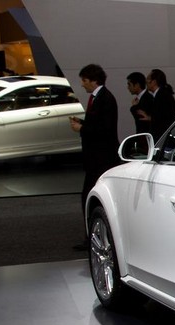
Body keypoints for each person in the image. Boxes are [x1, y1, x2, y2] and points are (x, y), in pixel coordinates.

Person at [70, 64, 120, 250]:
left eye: (84, 80)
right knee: (89, 197)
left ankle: (94, 236)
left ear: (93, 80)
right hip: (96, 159)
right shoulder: (98, 98)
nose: (82, 84)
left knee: (91, 197)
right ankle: (93, 235)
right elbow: (98, 124)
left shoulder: (105, 99)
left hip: (102, 159)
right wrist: (83, 123)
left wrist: (82, 128)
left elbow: (104, 129)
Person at [138, 68, 175, 141]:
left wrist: (150, 118)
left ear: (154, 82)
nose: (146, 81)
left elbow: (166, 117)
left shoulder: (162, 96)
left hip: (164, 137)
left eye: (148, 79)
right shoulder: (161, 94)